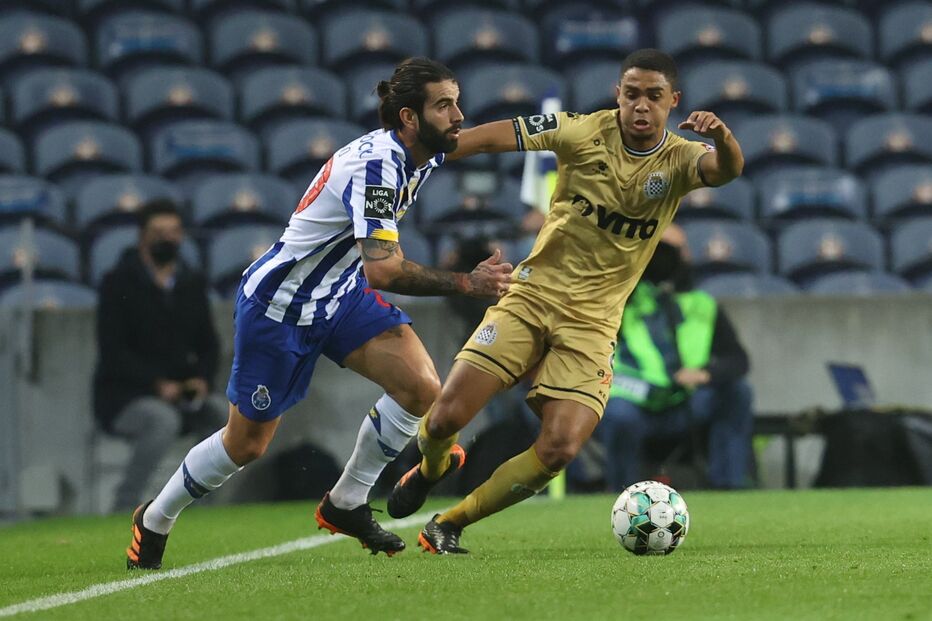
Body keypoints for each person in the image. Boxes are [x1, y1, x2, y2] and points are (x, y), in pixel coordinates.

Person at [126, 57, 512, 570]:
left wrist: (562, 132)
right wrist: (467, 283)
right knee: (246, 444)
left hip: (338, 295)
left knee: (422, 390)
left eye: (457, 101)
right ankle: (154, 518)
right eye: (445, 105)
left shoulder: (422, 149)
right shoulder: (379, 166)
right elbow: (384, 271)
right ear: (409, 118)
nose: (458, 114)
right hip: (280, 307)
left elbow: (484, 138)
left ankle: (346, 502)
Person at [386, 49, 745, 554]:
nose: (641, 106)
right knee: (445, 418)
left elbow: (726, 170)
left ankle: (450, 523)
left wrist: (724, 137)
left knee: (558, 448)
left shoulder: (681, 158)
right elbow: (496, 136)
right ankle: (432, 466)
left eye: (654, 96)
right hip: (530, 299)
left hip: (593, 324)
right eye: (632, 93)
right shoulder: (580, 130)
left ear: (673, 102)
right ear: (618, 95)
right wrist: (422, 151)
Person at [94, 200, 228, 513]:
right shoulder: (117, 283)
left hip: (182, 393)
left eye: (173, 232)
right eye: (158, 232)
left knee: (220, 414)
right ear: (142, 236)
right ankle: (125, 506)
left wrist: (202, 380)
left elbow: (209, 344)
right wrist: (156, 384)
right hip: (124, 396)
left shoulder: (191, 283)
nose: (167, 239)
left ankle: (201, 505)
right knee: (161, 420)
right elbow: (113, 352)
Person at [601, 223, 753, 491]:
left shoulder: (702, 305)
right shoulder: (623, 301)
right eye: (656, 249)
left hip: (686, 402)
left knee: (737, 392)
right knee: (618, 413)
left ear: (687, 255)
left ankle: (729, 488)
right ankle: (620, 494)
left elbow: (739, 360)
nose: (664, 257)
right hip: (637, 402)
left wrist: (705, 374)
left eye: (672, 250)